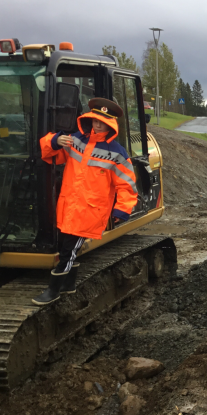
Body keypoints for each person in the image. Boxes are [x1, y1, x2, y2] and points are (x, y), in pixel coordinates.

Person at [32, 98, 138, 305]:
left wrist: (121, 211)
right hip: (69, 206)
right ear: (89, 120)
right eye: (95, 120)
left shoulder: (117, 153)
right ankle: (68, 285)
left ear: (110, 125)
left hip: (91, 212)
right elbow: (50, 153)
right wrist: (55, 141)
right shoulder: (76, 140)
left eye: (103, 122)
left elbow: (127, 186)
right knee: (65, 244)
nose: (98, 125)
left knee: (68, 250)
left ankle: (53, 290)